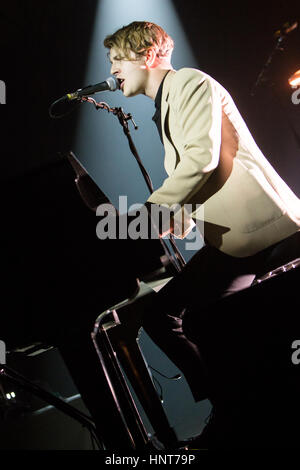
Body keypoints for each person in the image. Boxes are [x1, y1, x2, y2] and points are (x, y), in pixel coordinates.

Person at [103, 21, 300, 447]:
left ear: (149, 53)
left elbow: (203, 157)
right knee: (177, 315)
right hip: (236, 238)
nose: (113, 69)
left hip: (259, 231)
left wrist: (152, 211)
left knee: (170, 315)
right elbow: (212, 163)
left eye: (118, 58)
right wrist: (183, 219)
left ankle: (237, 408)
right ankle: (239, 404)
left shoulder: (190, 82)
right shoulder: (167, 105)